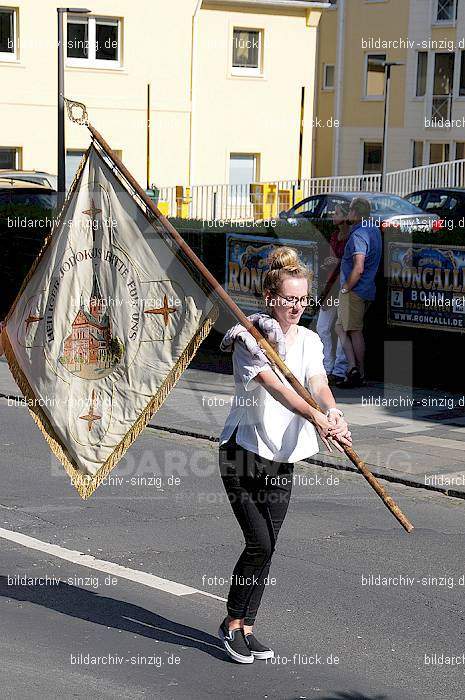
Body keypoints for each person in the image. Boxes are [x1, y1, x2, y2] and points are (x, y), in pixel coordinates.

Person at [217, 246, 352, 664]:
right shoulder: (249, 339)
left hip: (283, 457)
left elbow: (316, 382)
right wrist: (315, 416)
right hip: (243, 453)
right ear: (271, 298)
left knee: (270, 544)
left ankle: (249, 626)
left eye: (302, 299)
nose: (296, 306)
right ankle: (230, 624)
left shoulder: (310, 339)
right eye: (289, 299)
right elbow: (280, 391)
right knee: (258, 542)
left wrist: (332, 412)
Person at [335, 197, 382, 388]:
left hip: (355, 290)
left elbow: (359, 267)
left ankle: (357, 371)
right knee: (343, 327)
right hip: (367, 288)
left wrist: (346, 288)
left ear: (355, 213)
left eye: (350, 211)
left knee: (353, 330)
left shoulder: (359, 235)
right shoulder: (374, 230)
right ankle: (354, 369)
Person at [316, 202, 350, 384]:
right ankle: (327, 366)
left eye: (336, 212)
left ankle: (339, 368)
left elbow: (346, 263)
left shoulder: (351, 237)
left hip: (344, 287)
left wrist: (334, 261)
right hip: (331, 286)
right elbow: (331, 261)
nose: (332, 215)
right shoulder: (335, 235)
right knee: (322, 327)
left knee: (342, 328)